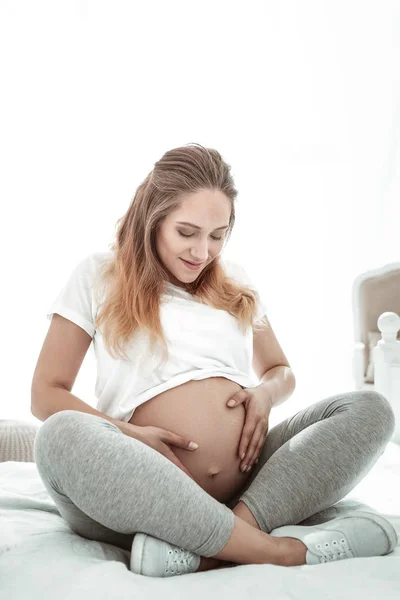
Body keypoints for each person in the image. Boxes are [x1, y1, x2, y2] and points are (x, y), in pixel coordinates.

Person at [32, 143, 397, 578]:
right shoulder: (98, 275)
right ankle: (278, 552)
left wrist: (264, 395)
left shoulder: (235, 283)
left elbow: (282, 371)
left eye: (217, 235)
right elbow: (44, 394)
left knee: (369, 408)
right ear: (153, 220)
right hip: (140, 489)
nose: (202, 252)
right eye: (186, 232)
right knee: (57, 436)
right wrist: (131, 434)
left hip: (246, 484)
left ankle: (220, 543)